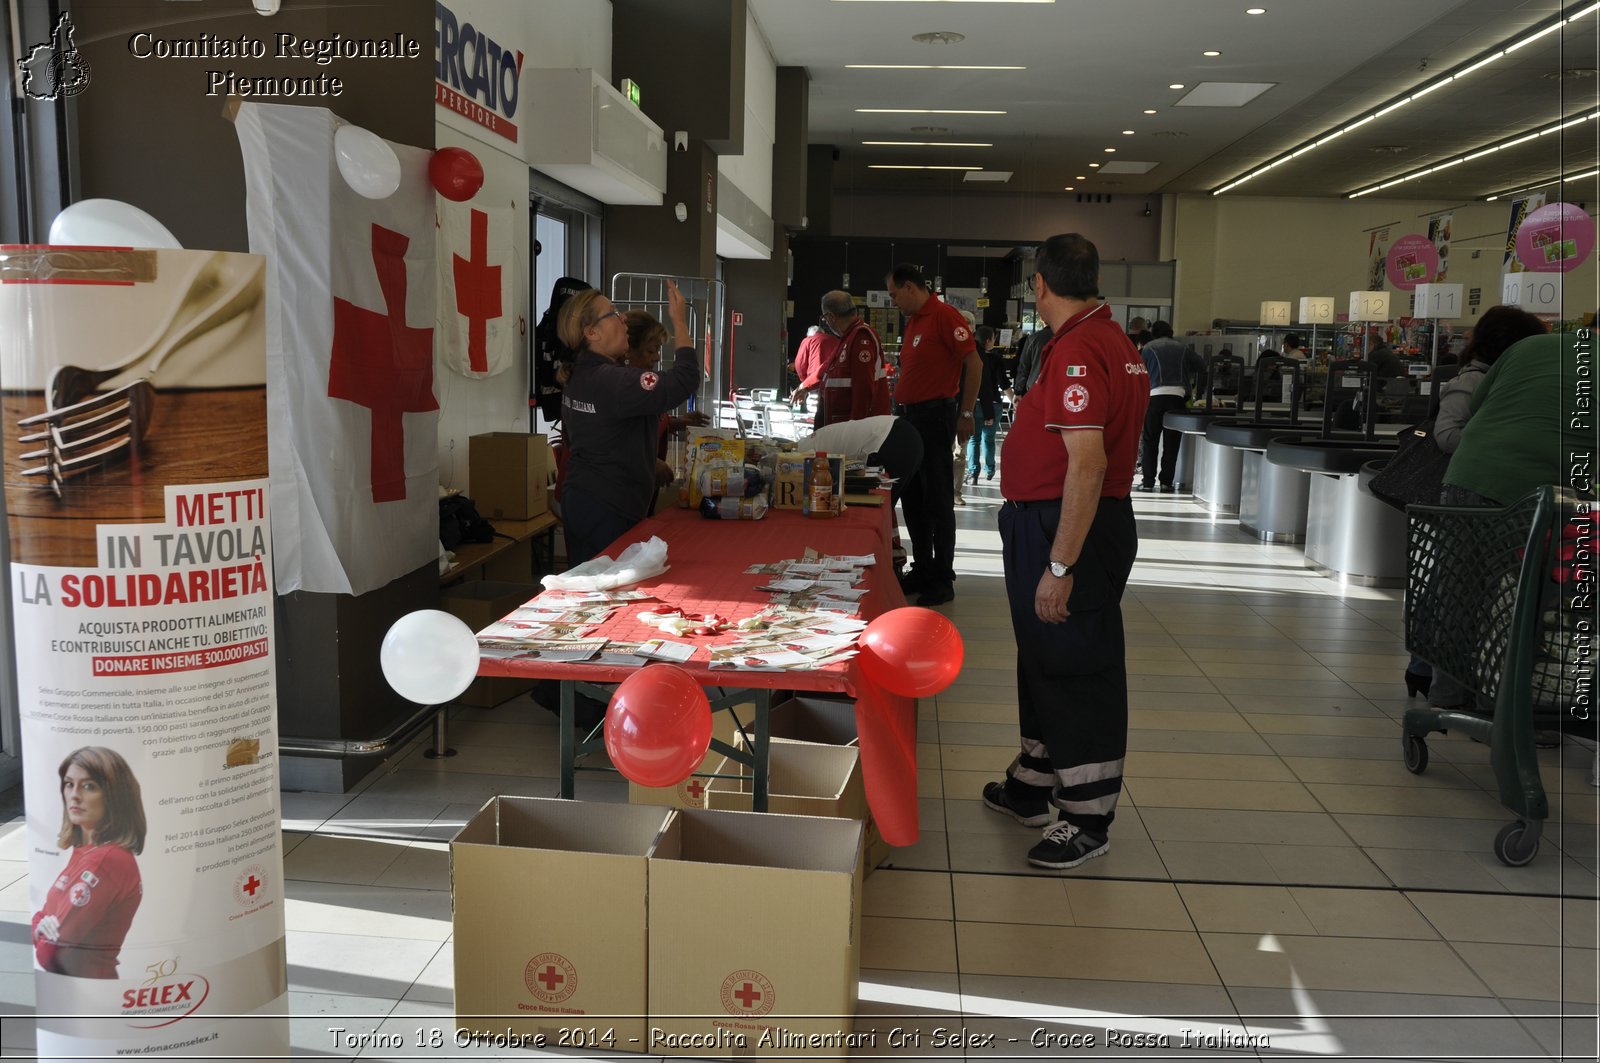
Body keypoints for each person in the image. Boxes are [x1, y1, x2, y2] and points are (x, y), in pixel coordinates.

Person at [985, 232, 1148, 870]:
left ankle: (1087, 815)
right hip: (1054, 519)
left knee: (1077, 662)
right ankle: (1035, 779)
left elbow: (1086, 465)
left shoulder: (1080, 348)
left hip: (1069, 525)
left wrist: (1060, 564)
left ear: (1041, 285)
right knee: (1045, 654)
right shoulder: (1108, 339)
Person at [1405, 306, 1546, 702]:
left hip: (1492, 491)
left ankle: (1427, 671)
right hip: (1469, 488)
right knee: (1460, 590)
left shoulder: (1516, 380)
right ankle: (1444, 686)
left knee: (1454, 587)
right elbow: (1446, 435)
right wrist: (1501, 435)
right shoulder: (1474, 379)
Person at [558, 282, 700, 564]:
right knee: (606, 591)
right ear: (592, 332)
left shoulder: (580, 375)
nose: (622, 319)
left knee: (594, 586)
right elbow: (684, 379)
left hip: (587, 499)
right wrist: (680, 321)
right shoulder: (611, 381)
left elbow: (576, 438)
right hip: (606, 507)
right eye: (612, 313)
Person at [886, 264, 981, 607]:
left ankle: (943, 576)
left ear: (910, 287)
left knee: (938, 499)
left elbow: (974, 363)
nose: (894, 301)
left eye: (895, 294)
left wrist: (965, 412)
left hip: (934, 417)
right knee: (913, 498)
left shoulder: (944, 315)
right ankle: (923, 567)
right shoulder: (914, 320)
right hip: (910, 419)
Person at [32, 747, 146, 978]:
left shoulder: (105, 860)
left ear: (115, 795)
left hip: (88, 991)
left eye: (89, 786)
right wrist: (40, 924)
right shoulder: (85, 852)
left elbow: (51, 953)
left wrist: (40, 927)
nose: (74, 795)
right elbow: (42, 915)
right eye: (68, 784)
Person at [624, 310, 709, 492]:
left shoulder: (629, 381)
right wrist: (648, 461)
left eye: (658, 350)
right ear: (628, 350)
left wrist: (674, 422)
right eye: (651, 350)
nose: (657, 357)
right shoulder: (623, 383)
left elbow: (640, 422)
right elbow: (609, 439)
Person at [791, 291, 889, 426]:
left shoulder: (861, 337)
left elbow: (863, 388)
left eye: (825, 318)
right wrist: (804, 387)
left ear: (831, 317)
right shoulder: (847, 338)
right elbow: (825, 369)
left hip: (851, 426)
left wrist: (855, 428)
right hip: (840, 423)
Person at [797, 414, 923, 508]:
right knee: (914, 507)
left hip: (892, 440)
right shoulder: (814, 440)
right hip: (900, 432)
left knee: (882, 507)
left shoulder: (805, 454)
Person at [1137, 320, 1204, 492]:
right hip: (1177, 399)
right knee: (1171, 443)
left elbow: (1138, 374)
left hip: (1154, 398)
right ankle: (1166, 482)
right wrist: (1199, 393)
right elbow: (1203, 368)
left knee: (1150, 441)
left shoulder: (1148, 348)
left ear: (1154, 333)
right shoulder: (1182, 348)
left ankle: (1148, 482)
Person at [966, 325, 1008, 483]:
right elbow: (1003, 383)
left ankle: (973, 472)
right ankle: (990, 470)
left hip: (973, 404)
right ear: (989, 340)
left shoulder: (971, 356)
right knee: (989, 439)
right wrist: (1015, 398)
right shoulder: (996, 359)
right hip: (993, 404)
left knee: (973, 439)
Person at [1012, 324, 1053, 399]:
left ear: (1042, 320)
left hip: (1035, 387)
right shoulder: (1067, 336)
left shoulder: (1033, 338)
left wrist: (1018, 391)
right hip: (1059, 388)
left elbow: (1024, 368)